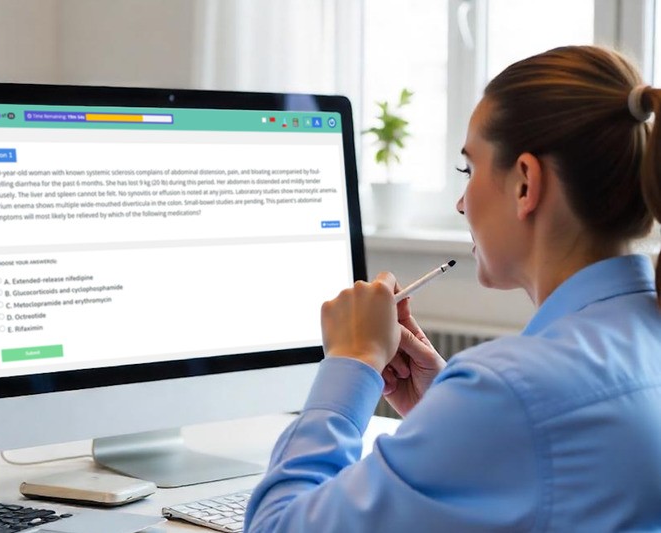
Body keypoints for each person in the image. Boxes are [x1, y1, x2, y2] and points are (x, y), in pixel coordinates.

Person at [243, 45, 661, 532]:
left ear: (525, 183)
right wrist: (447, 410)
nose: (462, 203)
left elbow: (276, 527)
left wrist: (350, 361)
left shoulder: (515, 391)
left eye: (470, 170)